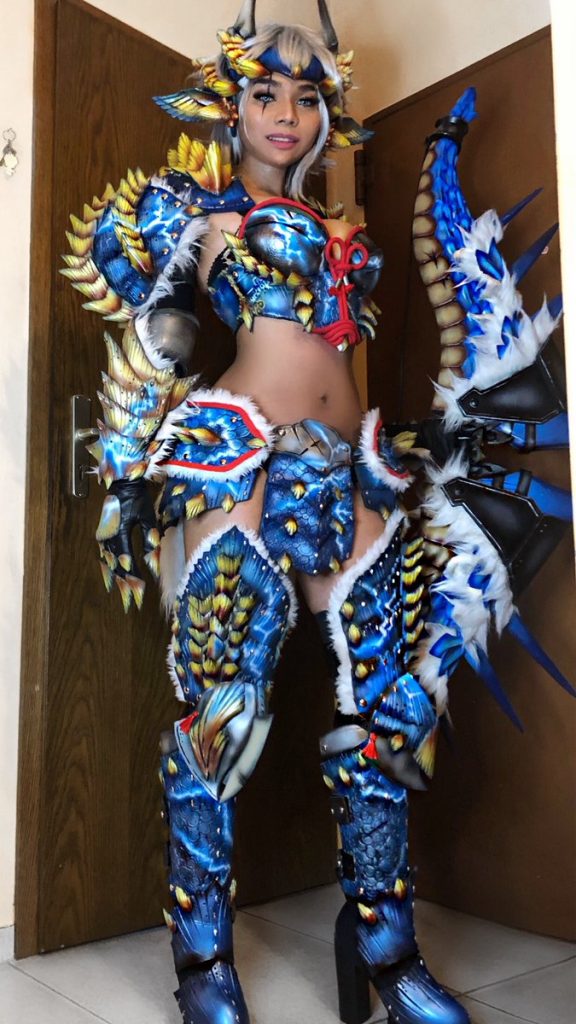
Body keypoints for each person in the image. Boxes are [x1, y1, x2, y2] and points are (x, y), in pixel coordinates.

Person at [62, 2, 572, 1022]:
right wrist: (124, 467)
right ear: (232, 106)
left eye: (306, 96)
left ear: (327, 114)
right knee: (225, 712)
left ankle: (386, 952)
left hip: (349, 467)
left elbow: (340, 361)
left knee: (390, 711)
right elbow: (160, 337)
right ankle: (204, 968)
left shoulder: (346, 234)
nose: (286, 113)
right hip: (239, 458)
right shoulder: (200, 215)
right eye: (265, 93)